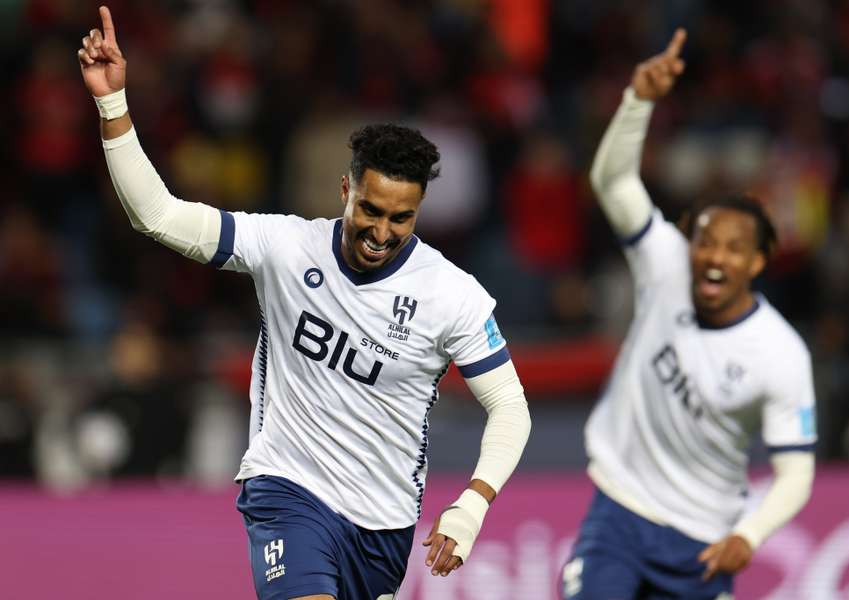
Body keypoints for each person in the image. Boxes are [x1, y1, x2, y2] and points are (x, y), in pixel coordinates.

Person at [77, 7, 531, 600]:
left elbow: (511, 407)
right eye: (370, 210)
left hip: (383, 526)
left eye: (402, 218)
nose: (381, 231)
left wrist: (473, 501)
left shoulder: (451, 294)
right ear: (346, 190)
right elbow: (156, 214)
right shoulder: (285, 247)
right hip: (288, 490)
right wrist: (113, 105)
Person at [561, 29, 816, 600]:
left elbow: (796, 471)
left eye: (732, 247)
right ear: (688, 243)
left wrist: (749, 535)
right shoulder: (666, 265)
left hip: (702, 539)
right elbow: (613, 182)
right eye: (705, 241)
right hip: (621, 511)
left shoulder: (780, 354)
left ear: (757, 261)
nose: (713, 257)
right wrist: (638, 101)